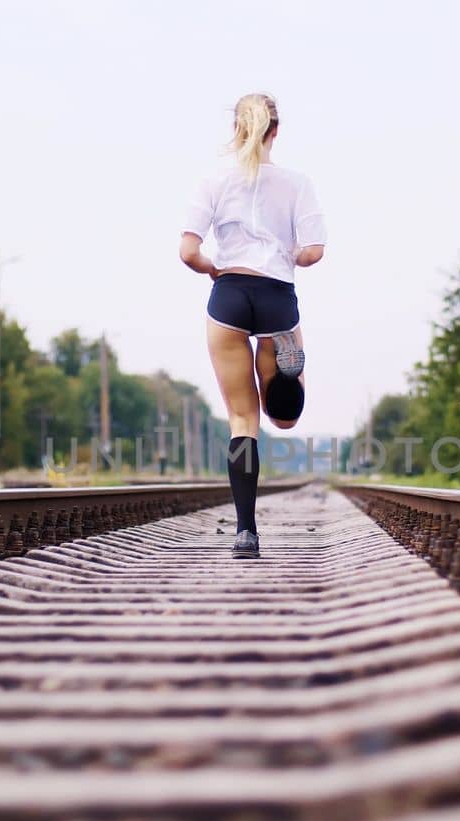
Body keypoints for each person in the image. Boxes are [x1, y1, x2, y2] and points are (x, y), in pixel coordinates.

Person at [179, 92, 327, 560]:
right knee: (285, 417)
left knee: (244, 421)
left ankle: (246, 532)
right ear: (275, 132)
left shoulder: (212, 181)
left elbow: (188, 251)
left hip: (229, 297)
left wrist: (209, 267)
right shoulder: (297, 183)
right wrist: (294, 256)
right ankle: (285, 366)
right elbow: (314, 250)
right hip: (277, 295)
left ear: (236, 130)